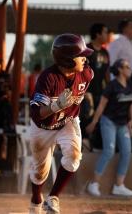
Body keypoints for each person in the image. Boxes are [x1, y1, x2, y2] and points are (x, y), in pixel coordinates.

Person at [29, 34, 94, 214]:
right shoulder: (48, 78)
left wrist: (65, 110)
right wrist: (56, 106)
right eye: (81, 55)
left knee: (74, 157)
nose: (85, 59)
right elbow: (36, 114)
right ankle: (36, 200)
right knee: (39, 171)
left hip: (68, 121)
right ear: (67, 60)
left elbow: (80, 85)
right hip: (43, 126)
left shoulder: (86, 74)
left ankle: (53, 197)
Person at [86, 59, 132, 197]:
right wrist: (94, 122)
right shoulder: (112, 86)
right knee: (109, 151)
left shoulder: (130, 84)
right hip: (109, 121)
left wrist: (131, 121)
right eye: (127, 66)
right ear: (119, 69)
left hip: (123, 123)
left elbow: (130, 104)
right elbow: (101, 105)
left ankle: (119, 186)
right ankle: (93, 184)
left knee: (126, 152)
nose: (129, 69)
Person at [86, 23, 110, 108]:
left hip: (101, 94)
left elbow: (107, 73)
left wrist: (109, 90)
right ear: (98, 34)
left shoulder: (105, 52)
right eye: (105, 32)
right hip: (86, 95)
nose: (107, 35)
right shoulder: (86, 50)